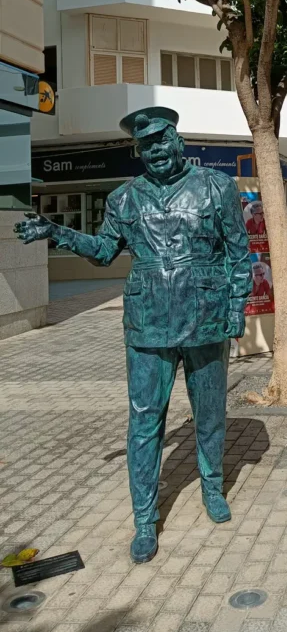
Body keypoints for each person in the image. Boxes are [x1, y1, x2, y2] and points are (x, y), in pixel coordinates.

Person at [14, 107, 251, 564]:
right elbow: (104, 252)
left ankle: (212, 486)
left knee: (210, 412)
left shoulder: (215, 187)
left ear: (178, 140)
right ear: (137, 151)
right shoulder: (123, 199)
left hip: (205, 317)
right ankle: (144, 518)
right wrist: (56, 231)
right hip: (146, 324)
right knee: (144, 422)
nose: (156, 151)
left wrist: (236, 309)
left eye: (162, 140)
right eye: (146, 145)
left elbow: (237, 254)